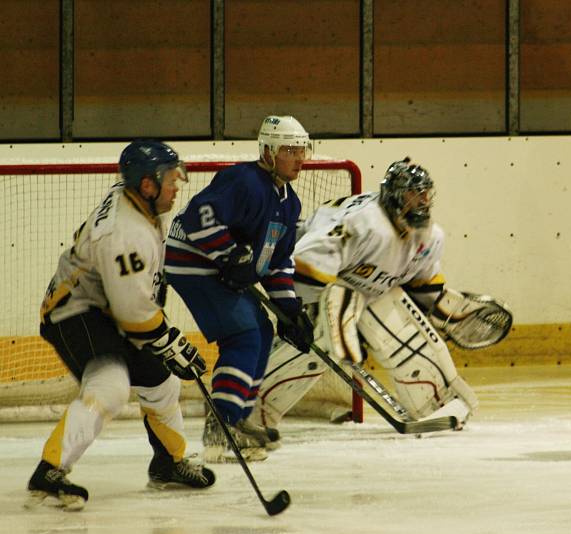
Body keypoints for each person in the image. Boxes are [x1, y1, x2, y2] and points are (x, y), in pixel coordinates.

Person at [246, 158, 511, 439]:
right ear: (395, 196)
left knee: (399, 318)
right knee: (324, 342)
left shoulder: (430, 236)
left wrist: (448, 309)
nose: (421, 201)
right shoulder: (363, 223)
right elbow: (302, 266)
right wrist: (314, 315)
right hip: (308, 278)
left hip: (364, 290)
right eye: (413, 194)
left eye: (425, 194)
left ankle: (434, 402)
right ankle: (252, 409)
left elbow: (421, 288)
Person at [28, 141, 215, 511]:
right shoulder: (124, 236)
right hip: (73, 311)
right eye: (169, 178)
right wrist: (171, 343)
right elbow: (134, 316)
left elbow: (136, 300)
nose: (177, 185)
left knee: (163, 382)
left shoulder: (138, 201)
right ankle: (49, 470)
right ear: (147, 185)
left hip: (106, 305)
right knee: (111, 386)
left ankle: (169, 463)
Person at [165, 116, 315, 463]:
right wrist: (229, 254)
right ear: (268, 151)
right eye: (289, 151)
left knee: (262, 331)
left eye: (301, 150)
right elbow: (197, 218)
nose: (299, 159)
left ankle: (239, 419)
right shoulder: (243, 180)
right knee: (244, 335)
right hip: (193, 262)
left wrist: (290, 309)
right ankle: (221, 425)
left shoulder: (288, 202)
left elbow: (275, 263)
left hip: (218, 268)